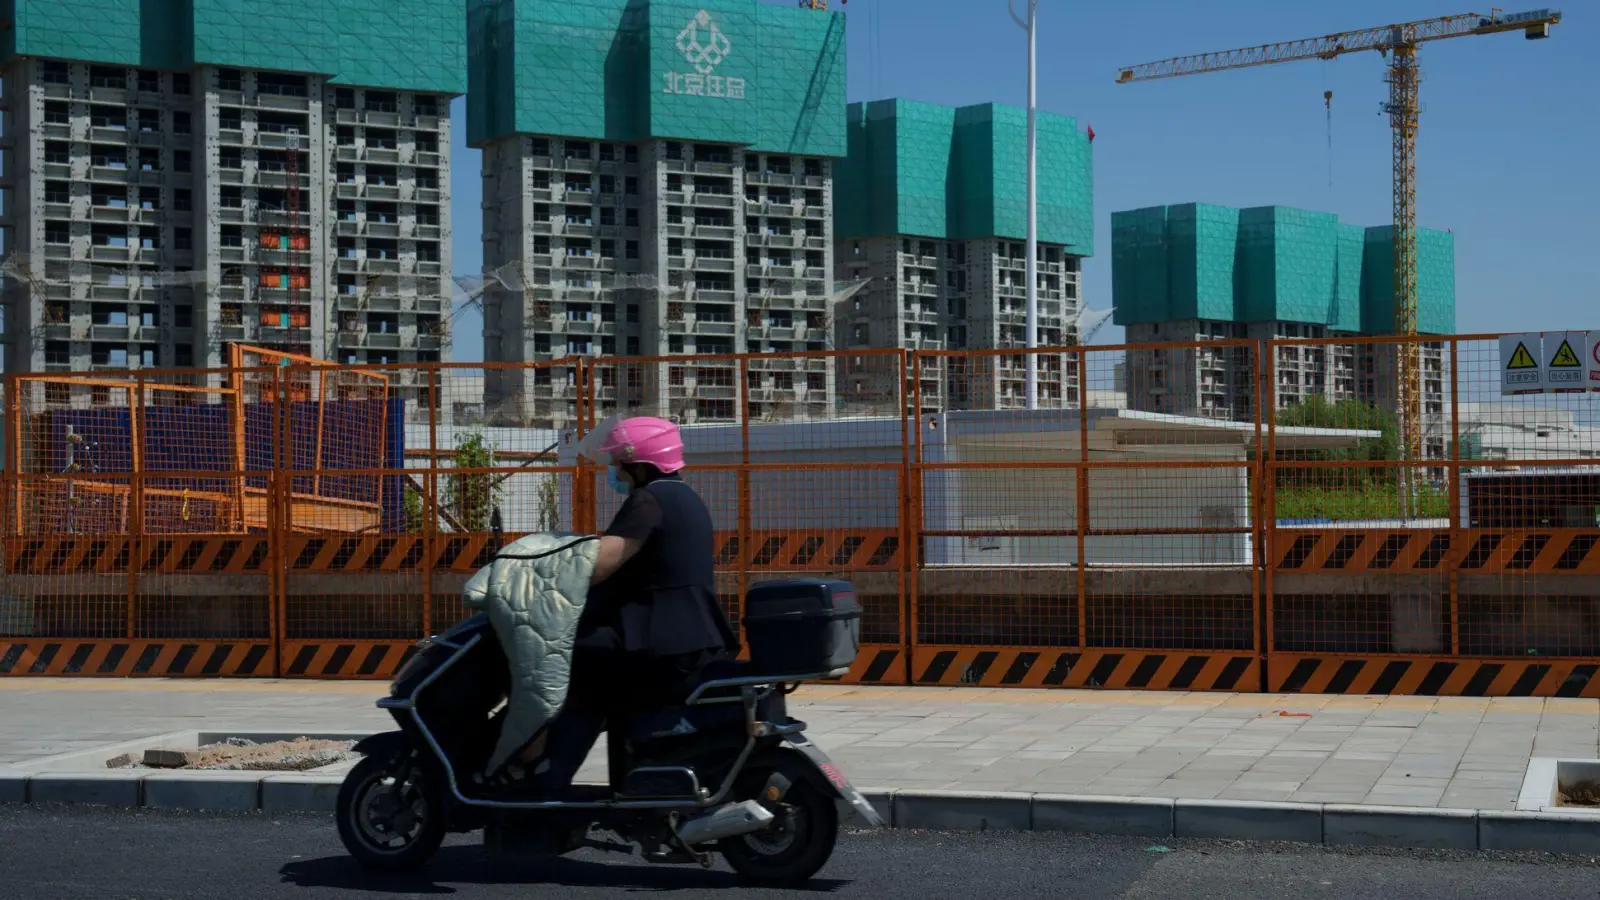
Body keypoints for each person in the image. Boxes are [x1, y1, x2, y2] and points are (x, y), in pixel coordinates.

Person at [490, 415, 735, 793]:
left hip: (656, 643)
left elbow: (603, 562)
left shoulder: (648, 499)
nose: (613, 471)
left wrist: (547, 572)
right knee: (588, 662)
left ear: (639, 464)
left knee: (552, 656)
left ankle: (535, 765)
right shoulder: (685, 496)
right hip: (686, 639)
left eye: (617, 463)